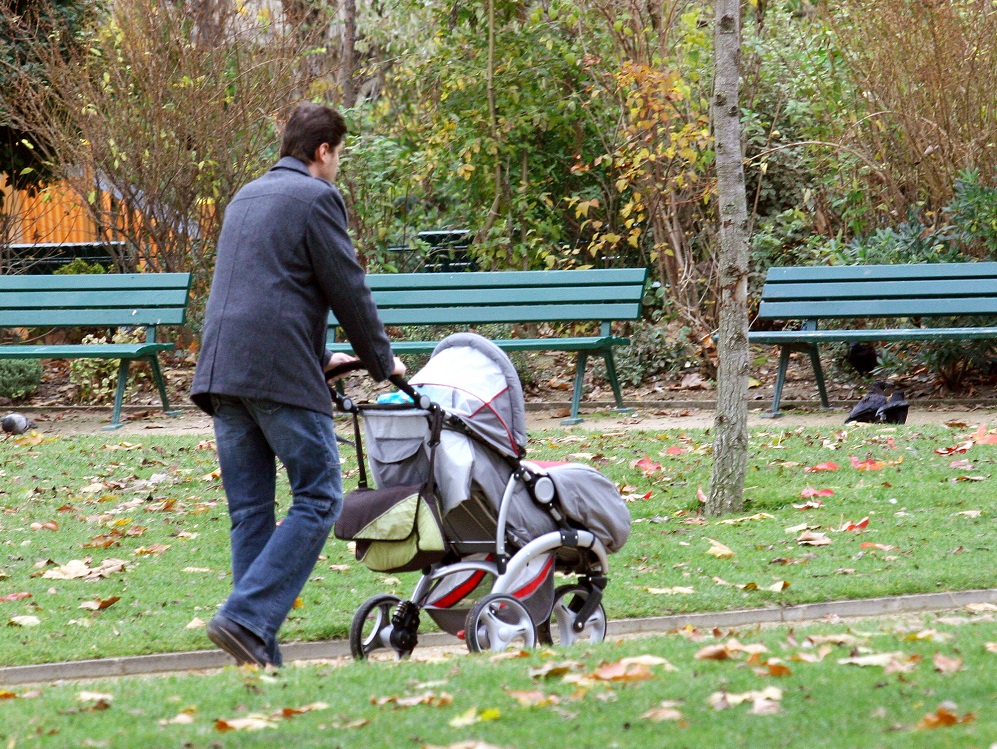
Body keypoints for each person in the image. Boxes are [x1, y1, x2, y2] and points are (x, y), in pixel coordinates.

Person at [190, 102, 404, 668]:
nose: (338, 166)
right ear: (323, 151)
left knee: (250, 512)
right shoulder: (317, 197)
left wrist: (321, 354)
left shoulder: (245, 196)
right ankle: (246, 618)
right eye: (339, 154)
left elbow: (266, 288)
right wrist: (384, 363)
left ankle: (255, 653)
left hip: (223, 370)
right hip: (275, 374)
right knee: (320, 495)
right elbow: (347, 288)